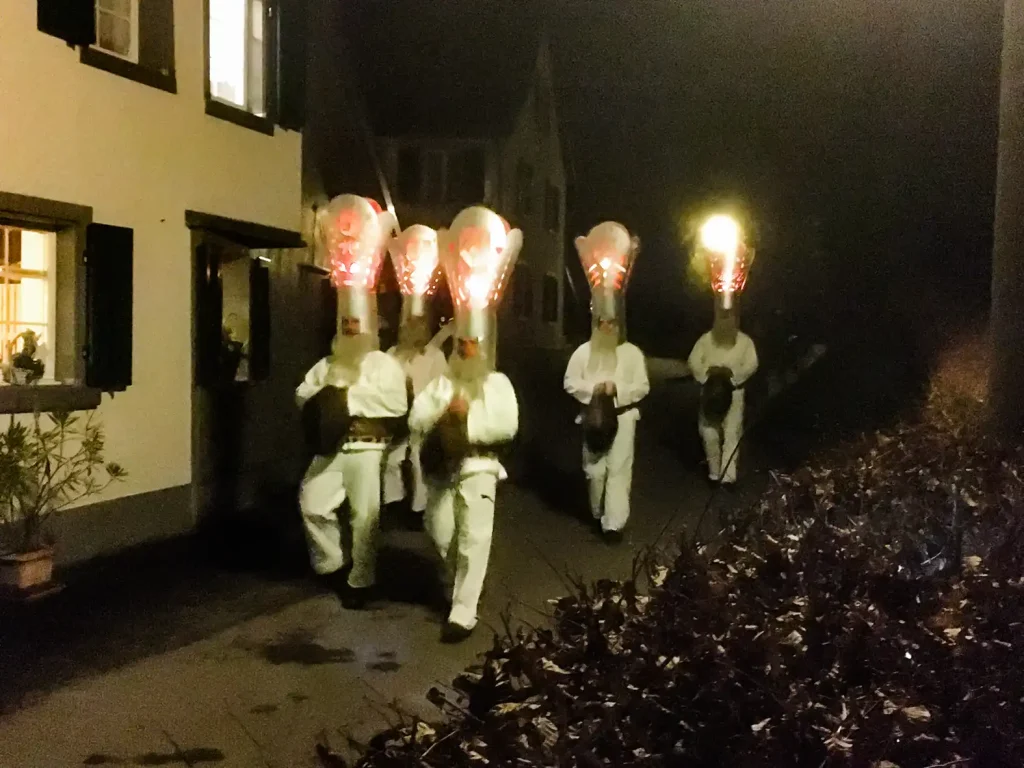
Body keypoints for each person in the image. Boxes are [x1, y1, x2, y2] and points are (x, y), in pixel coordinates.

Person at [409, 205, 522, 643]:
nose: (467, 352)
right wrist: (443, 415)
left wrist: (466, 420)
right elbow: (418, 416)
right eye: (462, 345)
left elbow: (507, 426)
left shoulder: (497, 383)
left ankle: (463, 610)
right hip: (442, 469)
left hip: (478, 469)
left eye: (474, 346)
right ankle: (461, 581)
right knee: (439, 532)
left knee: (476, 537)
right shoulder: (443, 382)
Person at [297, 194, 405, 609]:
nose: (349, 333)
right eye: (345, 326)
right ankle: (332, 562)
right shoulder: (328, 362)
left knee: (365, 515)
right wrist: (326, 396)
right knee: (312, 499)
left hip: (367, 447)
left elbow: (394, 404)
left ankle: (362, 579)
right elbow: (305, 392)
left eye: (355, 326)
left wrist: (349, 397)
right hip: (332, 444)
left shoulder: (382, 365)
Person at [564, 221, 648, 541]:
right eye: (603, 322)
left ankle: (614, 525)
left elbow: (642, 386)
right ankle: (597, 510)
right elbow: (570, 382)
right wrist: (593, 390)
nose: (608, 328)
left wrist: (619, 392)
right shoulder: (584, 352)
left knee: (619, 471)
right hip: (593, 419)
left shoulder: (631, 354)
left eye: (613, 323)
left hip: (623, 419)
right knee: (594, 471)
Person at [383, 314, 448, 528]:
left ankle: (419, 508)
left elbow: (441, 385)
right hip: (399, 414)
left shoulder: (433, 356)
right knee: (392, 458)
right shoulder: (393, 354)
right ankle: (394, 500)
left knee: (418, 460)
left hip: (423, 414)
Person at [687, 305, 759, 486]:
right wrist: (706, 376)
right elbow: (693, 361)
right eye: (723, 319)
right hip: (710, 393)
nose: (726, 323)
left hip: (734, 394)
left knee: (732, 433)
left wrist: (733, 378)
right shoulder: (706, 340)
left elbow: (752, 364)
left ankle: (728, 477)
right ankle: (714, 472)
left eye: (730, 319)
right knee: (708, 432)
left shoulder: (745, 342)